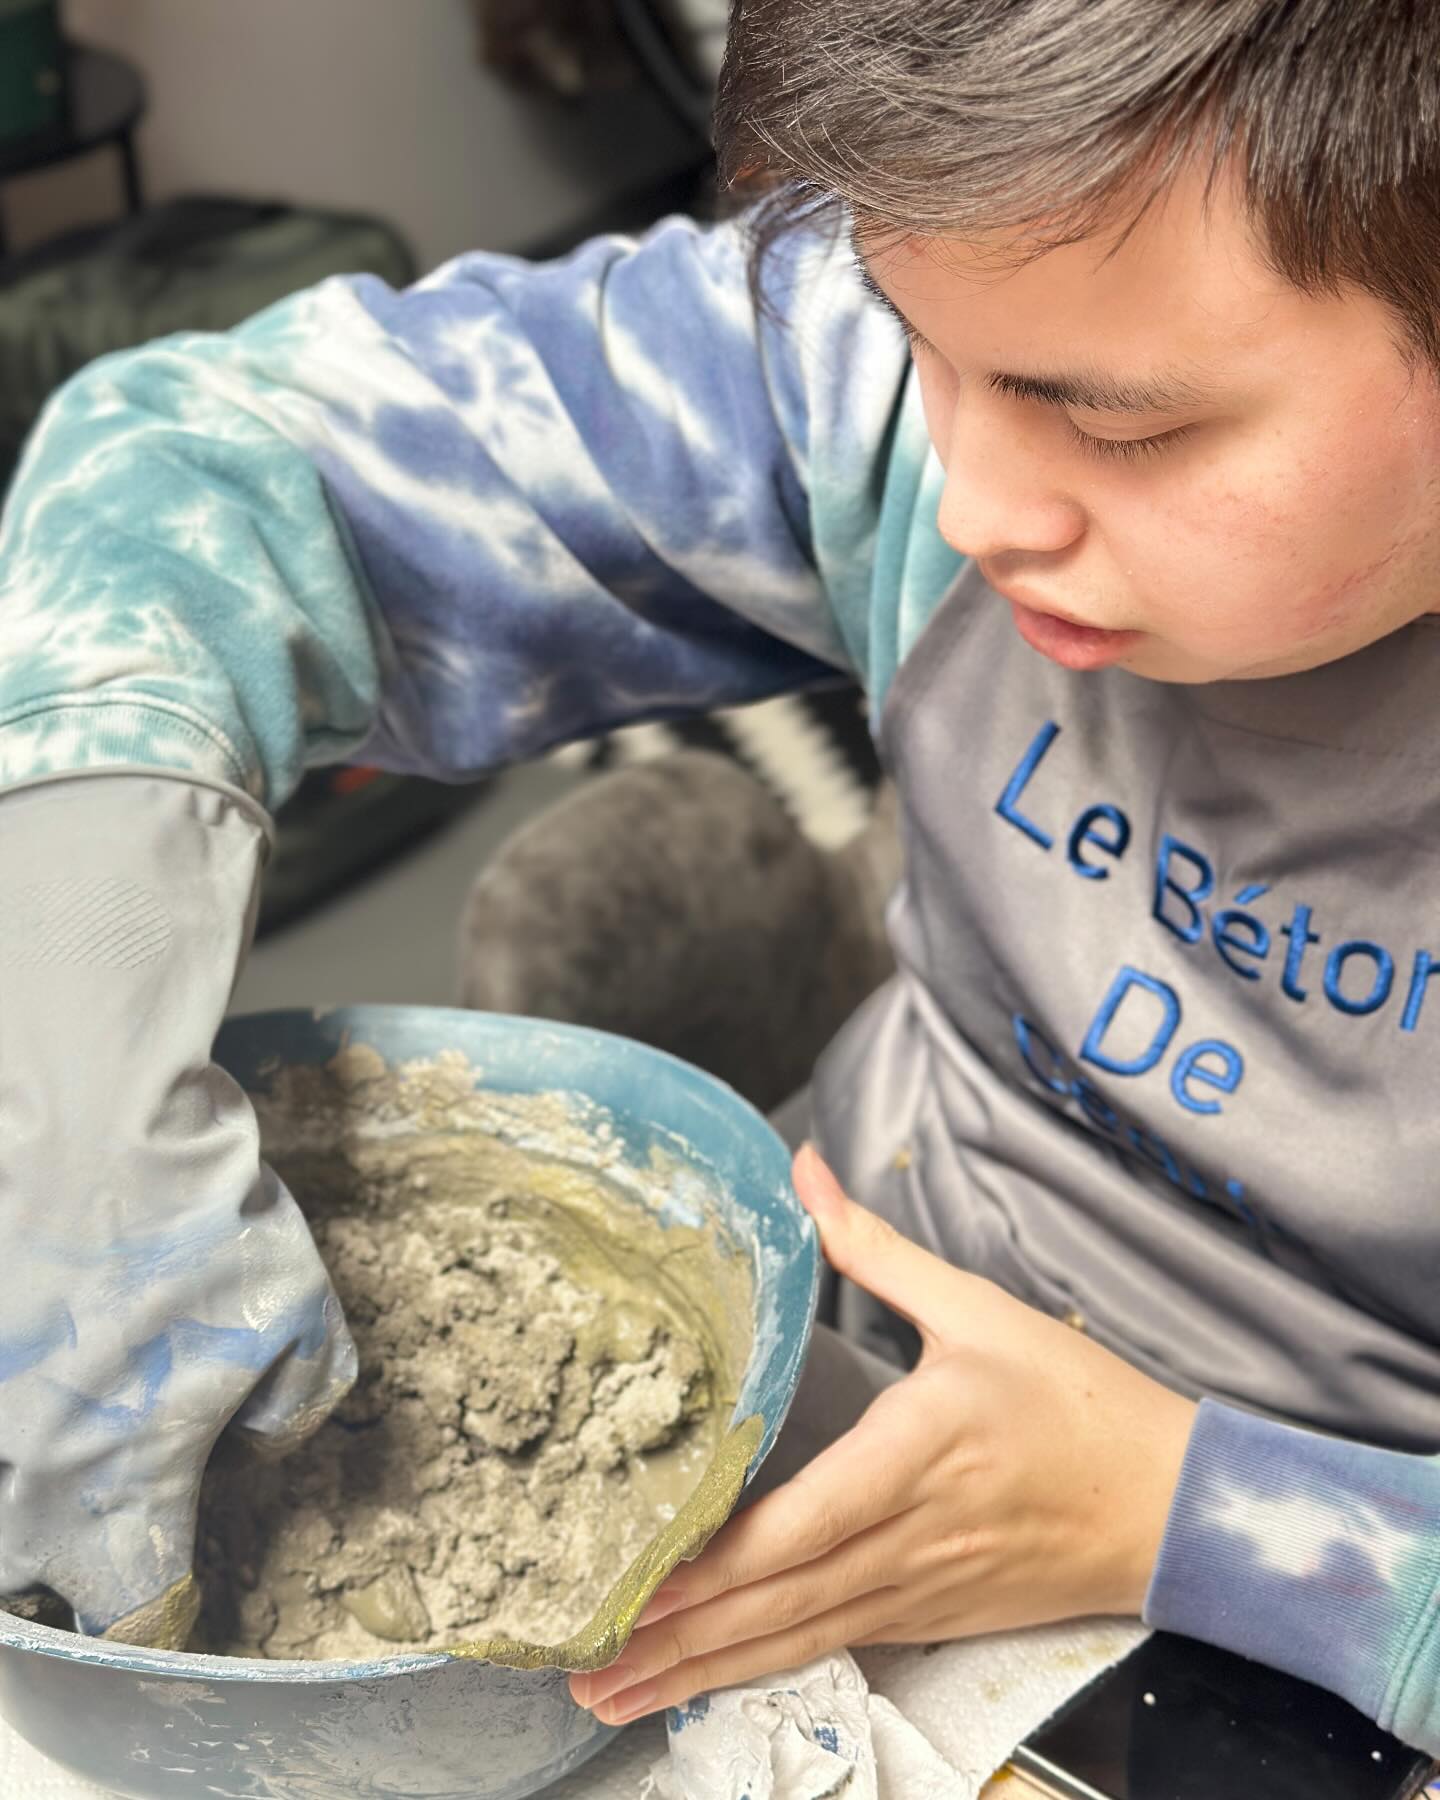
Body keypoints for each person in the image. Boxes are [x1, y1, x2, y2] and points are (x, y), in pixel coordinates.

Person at [2, 0, 1438, 1755]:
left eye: (1121, 429)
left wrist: (1204, 1521)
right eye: (922, 344)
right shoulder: (918, 373)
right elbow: (203, 462)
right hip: (845, 1316)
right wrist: (64, 1016)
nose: (972, 501)